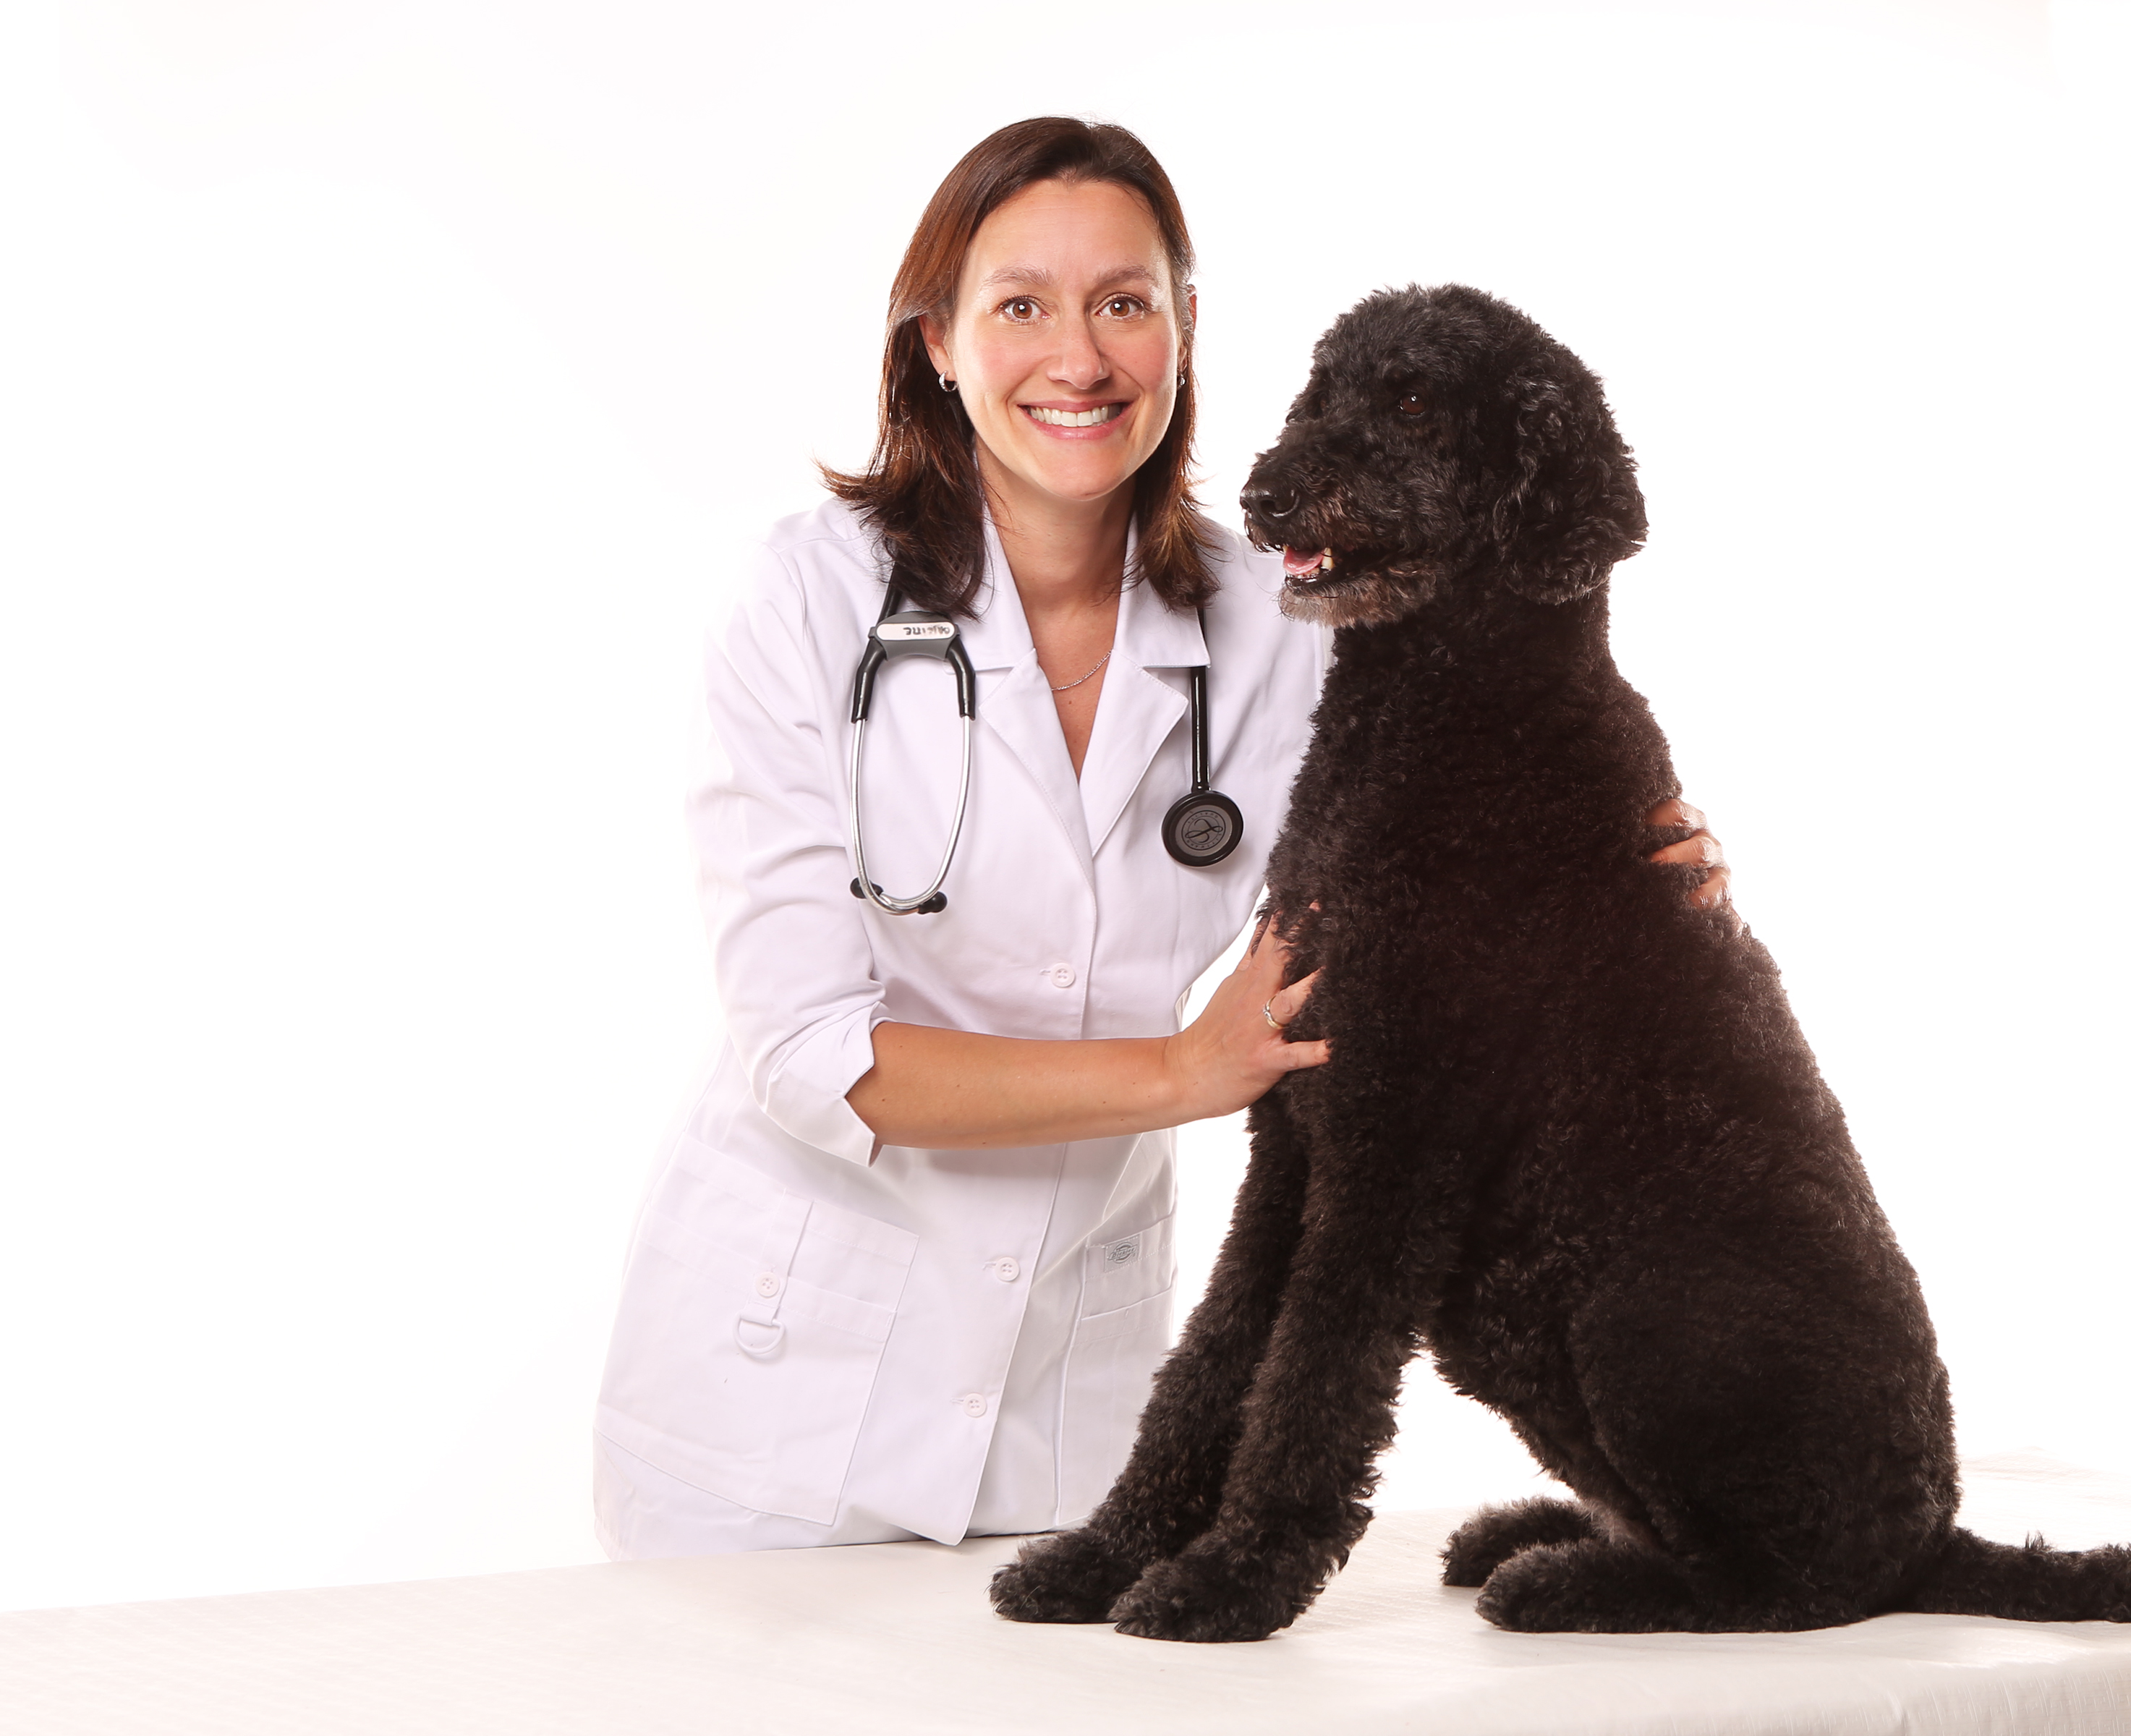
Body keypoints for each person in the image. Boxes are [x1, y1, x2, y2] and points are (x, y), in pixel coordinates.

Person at [592, 116, 1728, 1561]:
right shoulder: (806, 601)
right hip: (773, 1408)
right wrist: (1185, 1073)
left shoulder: (1288, 617)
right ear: (938, 342)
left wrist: (1631, 871)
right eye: (1021, 307)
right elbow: (813, 1054)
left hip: (1074, 1409)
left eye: (1123, 303)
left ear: (1184, 331)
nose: (1079, 359)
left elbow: (1461, 824)